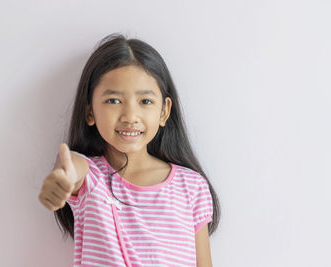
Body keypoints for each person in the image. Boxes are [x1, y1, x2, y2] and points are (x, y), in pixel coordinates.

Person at [38, 33, 220, 267]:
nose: (130, 117)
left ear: (164, 111)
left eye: (145, 101)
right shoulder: (92, 180)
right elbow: (73, 168)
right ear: (90, 111)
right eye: (113, 101)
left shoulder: (192, 187)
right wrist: (63, 177)